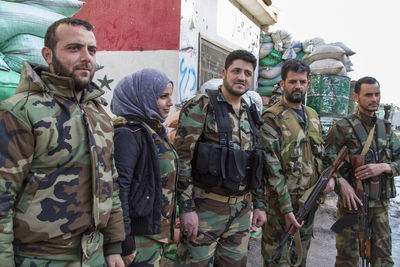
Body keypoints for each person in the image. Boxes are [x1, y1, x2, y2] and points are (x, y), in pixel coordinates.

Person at [0, 18, 125, 266]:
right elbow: (3, 196)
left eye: (91, 50)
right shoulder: (20, 111)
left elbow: (110, 181)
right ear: (48, 54)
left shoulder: (98, 113)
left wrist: (113, 246)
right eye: (73, 48)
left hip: (93, 255)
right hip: (39, 257)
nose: (86, 57)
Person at [174, 49, 267, 266]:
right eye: (236, 71)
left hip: (241, 210)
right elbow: (182, 160)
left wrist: (260, 204)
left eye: (247, 73)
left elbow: (256, 162)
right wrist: (187, 209)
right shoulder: (202, 105)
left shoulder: (250, 111)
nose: (242, 77)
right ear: (224, 72)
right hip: (206, 209)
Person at [261, 59, 330, 266]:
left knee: (300, 258)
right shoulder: (271, 118)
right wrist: (287, 209)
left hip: (309, 204)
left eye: (302, 82)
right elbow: (271, 168)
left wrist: (330, 179)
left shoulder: (313, 116)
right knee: (277, 259)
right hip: (281, 209)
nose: (297, 86)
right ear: (282, 84)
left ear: (308, 84)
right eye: (292, 82)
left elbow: (325, 154)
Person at [325, 76, 398, 266]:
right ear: (356, 97)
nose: (374, 99)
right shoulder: (342, 128)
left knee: (383, 259)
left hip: (380, 207)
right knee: (347, 259)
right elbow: (325, 159)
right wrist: (341, 183)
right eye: (368, 95)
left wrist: (385, 166)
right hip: (351, 204)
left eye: (377, 94)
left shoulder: (387, 129)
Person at [111, 68, 179, 267]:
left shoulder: (154, 131)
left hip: (153, 236)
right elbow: (119, 189)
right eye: (163, 96)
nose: (170, 102)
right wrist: (124, 241)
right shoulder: (128, 133)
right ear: (144, 97)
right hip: (138, 239)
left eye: (170, 96)